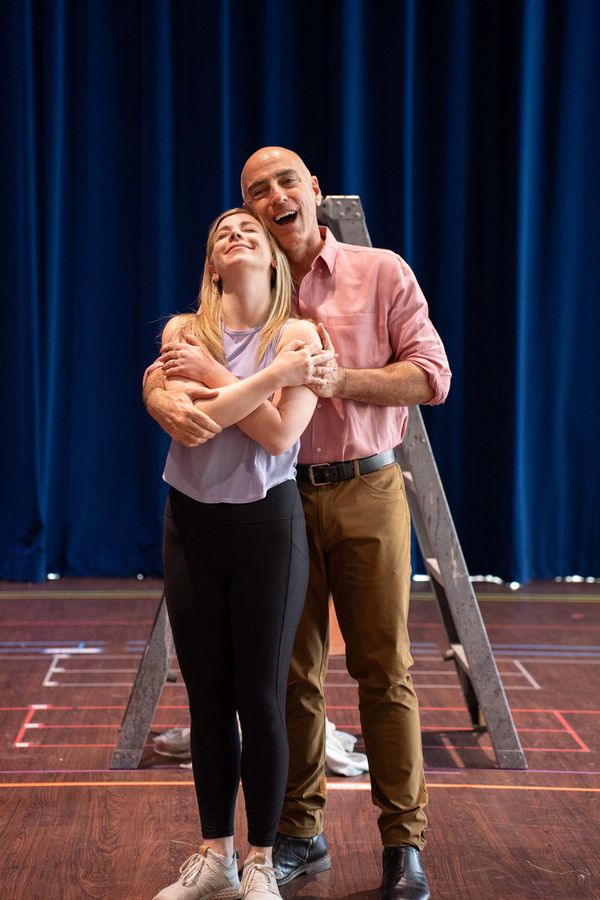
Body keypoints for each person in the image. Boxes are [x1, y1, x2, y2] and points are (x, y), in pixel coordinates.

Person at [145, 149, 451, 900]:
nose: (274, 198)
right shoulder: (240, 305)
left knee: (384, 670)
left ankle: (402, 843)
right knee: (288, 680)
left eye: (286, 182)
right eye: (255, 193)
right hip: (275, 504)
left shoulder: (380, 272)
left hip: (364, 487)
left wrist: (334, 378)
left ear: (314, 192)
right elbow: (179, 368)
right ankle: (295, 837)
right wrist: (159, 387)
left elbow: (432, 376)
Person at [149, 206, 335, 900]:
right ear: (212, 263)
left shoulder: (300, 335)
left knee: (260, 699)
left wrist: (220, 376)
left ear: (272, 258)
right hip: (191, 528)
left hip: (266, 531)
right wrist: (259, 378)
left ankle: (261, 859)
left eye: (249, 230)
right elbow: (197, 429)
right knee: (207, 701)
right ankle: (216, 857)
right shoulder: (182, 333)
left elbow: (282, 435)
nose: (236, 234)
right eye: (223, 232)